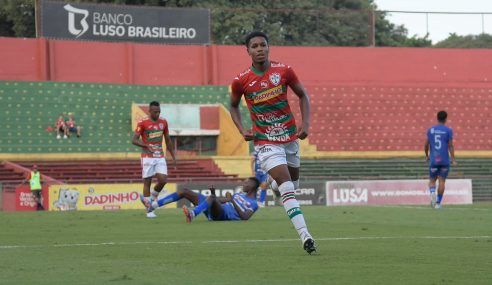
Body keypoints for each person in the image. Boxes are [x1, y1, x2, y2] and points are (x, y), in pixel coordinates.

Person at [229, 31, 316, 254]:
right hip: (265, 140)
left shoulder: (284, 71)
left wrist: (305, 124)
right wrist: (241, 129)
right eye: (255, 46)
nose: (260, 49)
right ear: (247, 50)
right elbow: (233, 105)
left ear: (269, 47)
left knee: (291, 186)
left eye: (263, 45)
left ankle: (276, 184)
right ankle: (305, 235)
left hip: (289, 138)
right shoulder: (241, 80)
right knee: (288, 186)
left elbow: (303, 95)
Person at [141, 177, 260, 222]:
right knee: (185, 191)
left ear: (253, 186)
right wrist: (213, 195)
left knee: (212, 198)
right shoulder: (238, 195)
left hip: (223, 215)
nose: (244, 184)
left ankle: (193, 214)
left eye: (246, 183)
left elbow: (245, 217)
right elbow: (219, 201)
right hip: (217, 209)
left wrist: (232, 200)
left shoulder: (254, 204)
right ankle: (152, 206)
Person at [132, 101, 176, 218]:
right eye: (155, 112)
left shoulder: (163, 122)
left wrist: (173, 155)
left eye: (159, 111)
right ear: (149, 111)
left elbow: (168, 139)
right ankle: (149, 210)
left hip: (160, 156)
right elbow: (134, 140)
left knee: (163, 180)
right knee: (148, 182)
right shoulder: (143, 123)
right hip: (147, 157)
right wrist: (146, 146)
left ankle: (150, 199)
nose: (157, 114)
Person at [425, 110, 457, 209]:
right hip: (444, 160)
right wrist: (453, 159)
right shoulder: (448, 130)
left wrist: (427, 155)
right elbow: (451, 146)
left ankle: (433, 194)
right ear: (446, 119)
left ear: (437, 118)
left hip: (434, 159)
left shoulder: (430, 130)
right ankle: (438, 203)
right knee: (442, 181)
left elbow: (426, 145)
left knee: (432, 180)